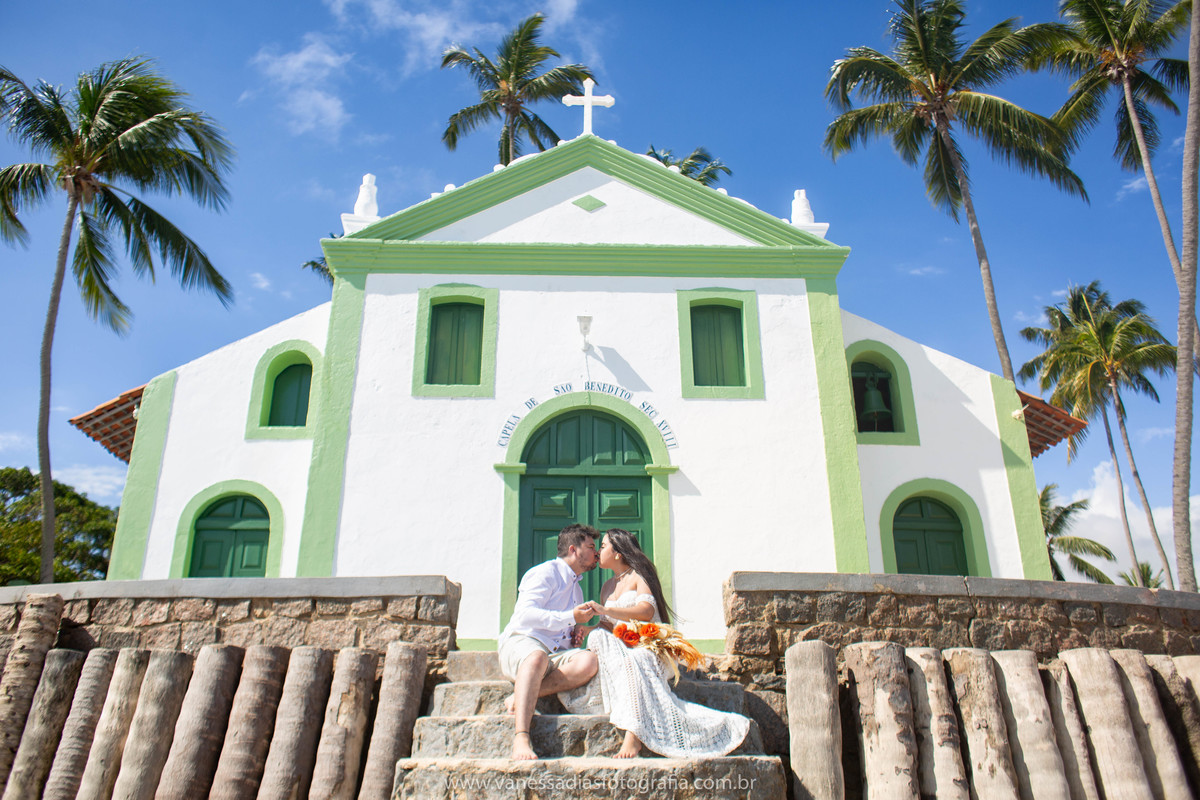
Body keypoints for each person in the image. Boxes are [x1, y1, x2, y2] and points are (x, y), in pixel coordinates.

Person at [559, 528, 750, 758]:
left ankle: (634, 734)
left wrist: (606, 609)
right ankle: (633, 724)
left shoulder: (639, 577)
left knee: (635, 660)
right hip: (621, 651)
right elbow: (607, 626)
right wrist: (586, 628)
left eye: (603, 546)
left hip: (647, 649)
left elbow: (647, 611)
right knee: (598, 637)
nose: (599, 551)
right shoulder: (607, 587)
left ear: (618, 552)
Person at [497, 523, 600, 760]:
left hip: (552, 656)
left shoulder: (577, 589)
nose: (596, 553)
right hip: (523, 643)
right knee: (537, 657)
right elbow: (525, 615)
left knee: (589, 661)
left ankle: (520, 695)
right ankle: (521, 736)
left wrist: (575, 633)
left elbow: (564, 631)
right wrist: (570, 617)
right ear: (574, 550)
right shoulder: (545, 573)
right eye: (591, 547)